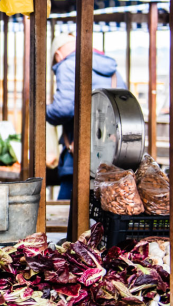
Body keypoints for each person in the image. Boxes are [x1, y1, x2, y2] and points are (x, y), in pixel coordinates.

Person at [46, 34, 124, 201]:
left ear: (57, 55)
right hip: (111, 156)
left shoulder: (67, 65)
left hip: (78, 155)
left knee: (67, 212)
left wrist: (44, 110)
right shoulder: (113, 71)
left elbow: (63, 109)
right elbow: (123, 110)